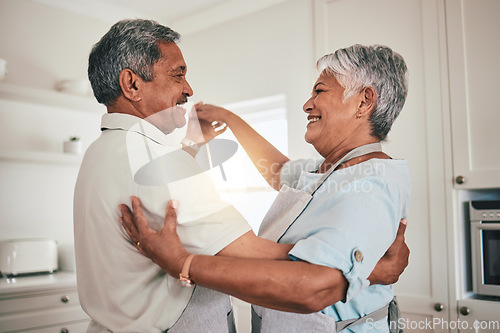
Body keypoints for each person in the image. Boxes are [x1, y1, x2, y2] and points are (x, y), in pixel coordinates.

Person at [75, 18, 407, 332]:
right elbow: (277, 176)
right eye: (178, 74)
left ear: (365, 102)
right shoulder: (320, 172)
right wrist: (368, 269)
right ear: (132, 84)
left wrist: (182, 263)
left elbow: (313, 285)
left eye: (319, 91)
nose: (307, 104)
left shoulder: (101, 151)